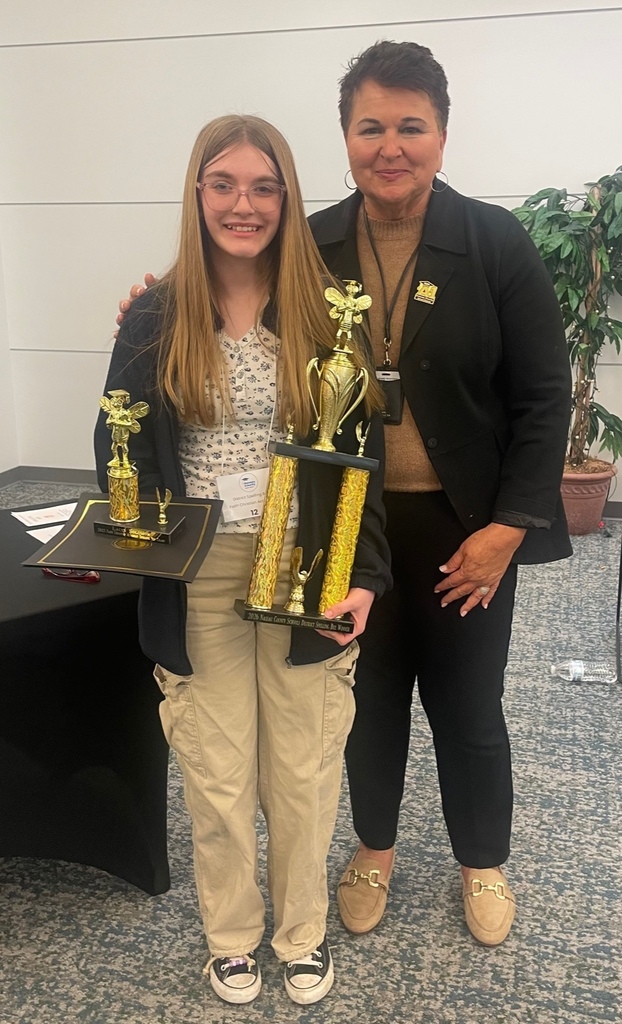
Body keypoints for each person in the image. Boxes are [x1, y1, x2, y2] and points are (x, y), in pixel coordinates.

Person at [116, 40, 572, 949]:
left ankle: (483, 863)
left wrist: (508, 528)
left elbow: (544, 393)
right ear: (346, 136)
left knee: (469, 704)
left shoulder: (494, 241)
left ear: (443, 134)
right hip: (339, 525)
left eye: (411, 126)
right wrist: (152, 307)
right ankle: (373, 850)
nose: (390, 145)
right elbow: (230, 305)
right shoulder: (309, 243)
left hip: (462, 524)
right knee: (361, 701)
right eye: (371, 127)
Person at [96, 114, 390, 1006]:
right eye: (223, 184)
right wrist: (127, 541)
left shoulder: (326, 310)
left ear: (287, 198)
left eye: (264, 187)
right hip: (198, 570)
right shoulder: (154, 313)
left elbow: (359, 465)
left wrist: (364, 573)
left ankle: (301, 933)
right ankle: (232, 936)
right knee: (218, 774)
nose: (243, 204)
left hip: (304, 562)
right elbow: (124, 446)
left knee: (301, 766)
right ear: (197, 192)